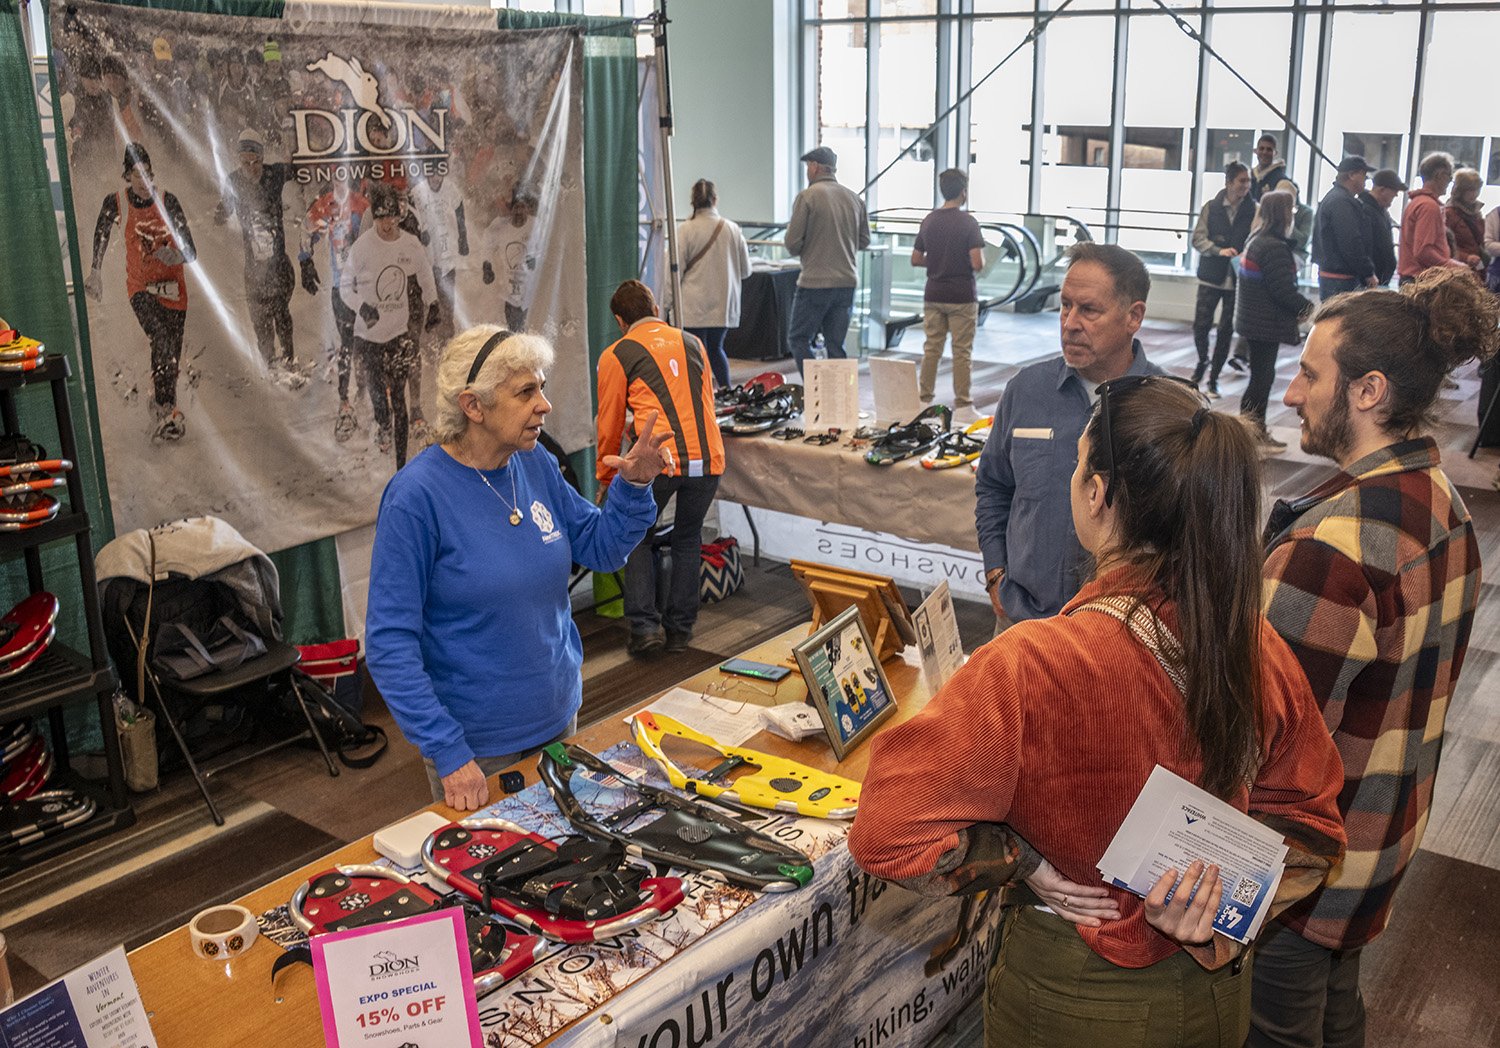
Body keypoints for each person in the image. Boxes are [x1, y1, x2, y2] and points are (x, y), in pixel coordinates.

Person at [850, 377, 1346, 1048]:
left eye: (1081, 461)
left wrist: (1020, 862)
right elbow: (1314, 831)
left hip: (1075, 997)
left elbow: (887, 834)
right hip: (1218, 999)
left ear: (1097, 493)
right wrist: (1215, 904)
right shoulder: (1251, 641)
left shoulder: (1029, 663)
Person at [1248, 268, 1495, 1048]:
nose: (1291, 393)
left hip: (1299, 871)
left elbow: (1266, 741)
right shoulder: (1442, 503)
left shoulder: (1332, 547)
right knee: (1336, 1016)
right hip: (1380, 842)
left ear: (1368, 390)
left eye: (1310, 374)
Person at [366, 326, 670, 809]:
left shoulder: (535, 464)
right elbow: (388, 644)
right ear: (474, 406)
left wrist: (632, 488)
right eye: (526, 391)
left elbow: (600, 548)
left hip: (558, 718)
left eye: (542, 387)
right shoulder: (416, 498)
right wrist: (447, 750)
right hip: (478, 750)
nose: (544, 404)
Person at [974, 243, 1164, 625]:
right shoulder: (1026, 390)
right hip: (1022, 620)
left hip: (1119, 634)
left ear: (1134, 317)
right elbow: (994, 486)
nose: (1070, 322)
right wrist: (996, 573)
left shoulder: (1168, 406)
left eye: (1089, 309)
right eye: (1065, 305)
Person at [596, 280, 726, 658]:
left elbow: (610, 422)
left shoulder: (618, 353)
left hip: (660, 462)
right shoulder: (693, 342)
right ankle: (681, 631)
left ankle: (645, 628)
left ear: (621, 320)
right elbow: (707, 404)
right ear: (654, 307)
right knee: (688, 537)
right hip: (708, 458)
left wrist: (606, 479)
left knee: (637, 536)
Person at [84, 143, 196, 442]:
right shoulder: (117, 201)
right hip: (140, 288)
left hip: (174, 290)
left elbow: (191, 249)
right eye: (136, 175)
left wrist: (179, 256)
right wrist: (95, 271)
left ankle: (166, 409)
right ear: (127, 176)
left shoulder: (167, 200)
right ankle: (163, 409)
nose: (143, 181)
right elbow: (101, 232)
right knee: (159, 337)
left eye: (147, 174)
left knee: (169, 353)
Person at [338, 183, 439, 469]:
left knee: (399, 397)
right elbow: (345, 286)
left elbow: (424, 274)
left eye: (391, 217)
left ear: (399, 216)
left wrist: (432, 304)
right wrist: (362, 306)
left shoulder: (410, 243)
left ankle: (402, 463)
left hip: (397, 333)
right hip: (368, 335)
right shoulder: (363, 246)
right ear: (374, 216)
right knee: (377, 394)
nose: (386, 223)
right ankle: (383, 424)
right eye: (380, 217)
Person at [215, 129, 299, 376]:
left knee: (281, 312)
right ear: (239, 161)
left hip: (278, 263)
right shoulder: (234, 181)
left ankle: (289, 359)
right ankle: (270, 364)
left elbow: (297, 167)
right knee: (261, 321)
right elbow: (226, 206)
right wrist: (220, 213)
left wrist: (292, 143)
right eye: (246, 163)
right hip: (253, 266)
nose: (251, 168)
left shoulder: (274, 173)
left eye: (256, 162)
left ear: (262, 158)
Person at [1233, 189, 1311, 451]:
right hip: (1264, 322)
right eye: (1291, 210)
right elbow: (1282, 291)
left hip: (1254, 321)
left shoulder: (1256, 240)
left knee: (1260, 377)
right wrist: (1311, 308)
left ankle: (1250, 433)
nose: (1293, 215)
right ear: (1283, 213)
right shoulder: (1274, 247)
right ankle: (1253, 434)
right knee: (1262, 379)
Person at [784, 146, 870, 374]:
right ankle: (840, 398)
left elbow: (792, 244)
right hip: (847, 282)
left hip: (815, 282)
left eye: (807, 167)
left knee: (798, 338)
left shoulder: (807, 197)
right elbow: (864, 241)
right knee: (835, 345)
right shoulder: (854, 198)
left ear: (814, 167)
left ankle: (817, 389)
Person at [299, 179, 369, 441]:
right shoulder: (326, 203)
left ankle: (365, 392)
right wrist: (305, 261)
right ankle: (345, 400)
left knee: (365, 342)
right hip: (341, 287)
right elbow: (307, 228)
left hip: (366, 285)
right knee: (347, 342)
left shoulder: (362, 203)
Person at [912, 168, 985, 415]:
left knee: (932, 348)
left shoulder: (929, 220)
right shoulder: (968, 222)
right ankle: (963, 404)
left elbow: (915, 258)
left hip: (933, 294)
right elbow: (977, 263)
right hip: (961, 295)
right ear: (963, 192)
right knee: (961, 352)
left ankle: (924, 399)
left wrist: (935, 263)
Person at [673, 179, 752, 390]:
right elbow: (746, 270)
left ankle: (699, 397)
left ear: (693, 201)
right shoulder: (733, 229)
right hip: (723, 305)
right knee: (716, 349)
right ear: (715, 200)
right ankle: (727, 391)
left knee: (694, 353)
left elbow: (675, 268)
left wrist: (667, 302)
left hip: (693, 304)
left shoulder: (686, 230)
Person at [1190, 162, 1254, 397]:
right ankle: (1202, 361)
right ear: (1229, 182)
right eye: (1242, 181)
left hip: (1238, 281)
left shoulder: (1254, 210)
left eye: (1248, 181)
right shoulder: (1211, 207)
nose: (1246, 186)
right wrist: (1218, 250)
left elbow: (1257, 240)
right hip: (1210, 277)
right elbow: (1197, 239)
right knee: (1201, 325)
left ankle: (1214, 377)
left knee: (1227, 330)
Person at [1310, 156, 1376, 299]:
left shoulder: (1335, 198)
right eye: (1363, 175)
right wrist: (1367, 272)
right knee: (1342, 320)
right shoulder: (1341, 202)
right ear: (1351, 175)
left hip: (1333, 277)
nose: (1366, 180)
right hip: (1341, 279)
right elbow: (1350, 240)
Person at [1397, 152, 1468, 284]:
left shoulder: (1417, 202)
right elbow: (1423, 251)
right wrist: (1450, 265)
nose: (1449, 182)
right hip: (1421, 280)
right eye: (1449, 176)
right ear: (1439, 175)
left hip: (1414, 278)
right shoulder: (1429, 206)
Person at [482, 188, 538, 332]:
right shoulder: (501, 225)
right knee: (513, 326)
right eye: (516, 207)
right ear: (511, 209)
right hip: (509, 284)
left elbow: (547, 245)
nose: (519, 212)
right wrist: (487, 266)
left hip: (530, 286)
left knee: (527, 324)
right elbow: (487, 241)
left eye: (522, 207)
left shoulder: (535, 225)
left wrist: (536, 258)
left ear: (528, 209)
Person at [1359, 169, 1404, 288]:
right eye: (1393, 192)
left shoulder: (1382, 212)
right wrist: (1368, 273)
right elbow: (1362, 245)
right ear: (1382, 190)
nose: (1396, 195)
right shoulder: (1364, 210)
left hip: (1380, 279)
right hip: (1369, 280)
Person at [1444, 168, 1488, 276]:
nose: (1474, 194)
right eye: (1470, 190)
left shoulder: (1476, 213)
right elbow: (1443, 246)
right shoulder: (1449, 213)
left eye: (1477, 190)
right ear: (1460, 191)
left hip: (1477, 269)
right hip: (1457, 271)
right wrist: (1466, 257)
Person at [1251, 133, 1288, 201]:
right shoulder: (1249, 176)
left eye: (1269, 149)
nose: (1264, 152)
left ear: (1275, 153)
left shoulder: (1281, 180)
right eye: (1261, 148)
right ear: (1256, 151)